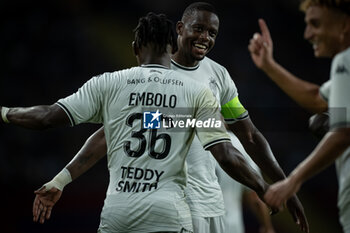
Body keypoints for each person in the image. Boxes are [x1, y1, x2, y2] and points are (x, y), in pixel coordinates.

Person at [30, 2, 309, 233]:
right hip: (173, 207)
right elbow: (119, 131)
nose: (205, 38)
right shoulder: (151, 75)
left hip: (211, 205)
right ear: (180, 29)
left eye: (212, 33)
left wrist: (287, 185)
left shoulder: (218, 75)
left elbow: (248, 134)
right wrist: (63, 179)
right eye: (198, 29)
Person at [248, 0, 350, 232]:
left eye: (315, 24)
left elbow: (343, 133)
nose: (307, 34)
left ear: (345, 24)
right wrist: (269, 65)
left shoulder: (345, 60)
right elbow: (318, 99)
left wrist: (292, 181)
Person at [216, 132, 275, 233]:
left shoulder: (190, 142)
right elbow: (255, 197)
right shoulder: (239, 145)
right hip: (232, 227)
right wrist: (267, 227)